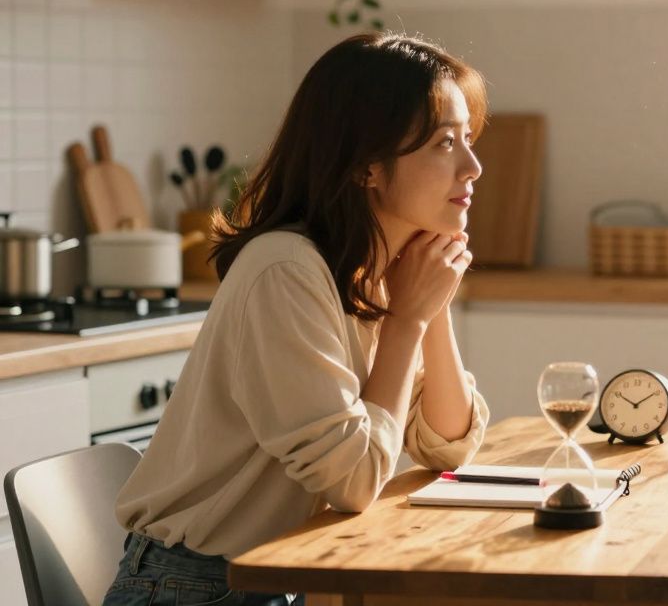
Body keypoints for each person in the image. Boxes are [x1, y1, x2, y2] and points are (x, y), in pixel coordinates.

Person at [102, 33, 491, 606]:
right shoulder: (285, 270)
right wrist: (408, 317)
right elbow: (354, 481)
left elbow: (449, 446)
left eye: (467, 139)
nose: (473, 166)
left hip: (284, 572)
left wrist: (426, 304)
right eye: (443, 143)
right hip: (198, 586)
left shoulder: (372, 271)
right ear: (366, 167)